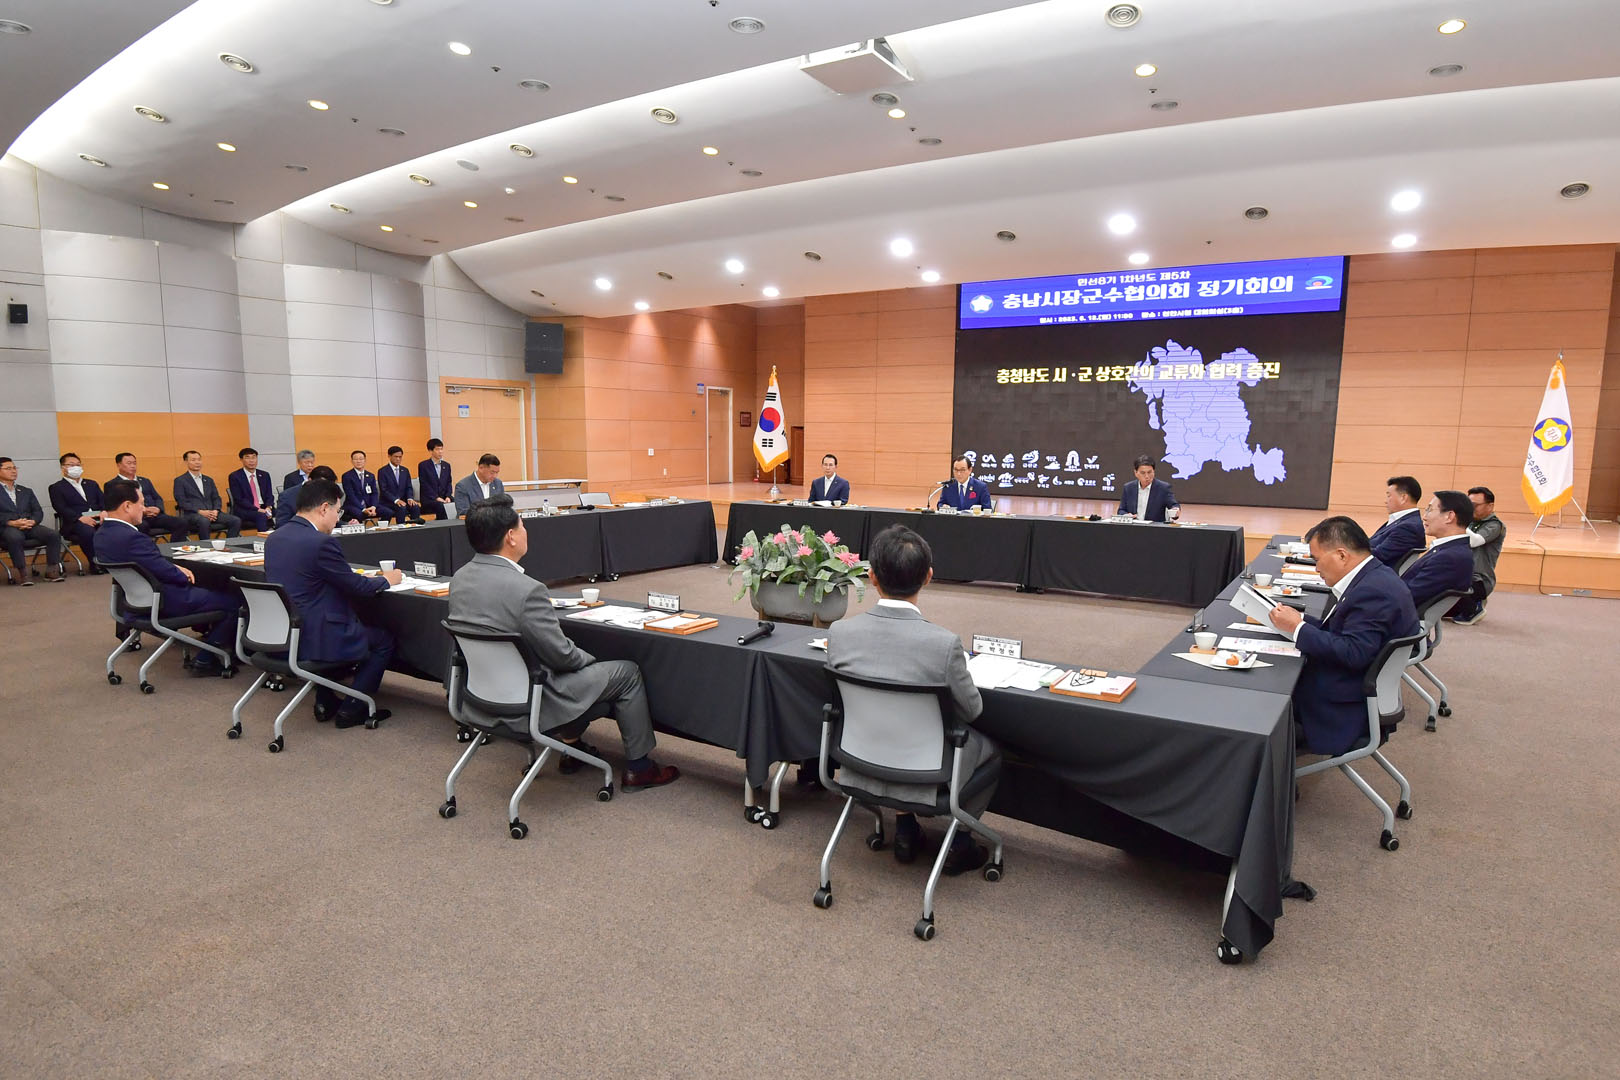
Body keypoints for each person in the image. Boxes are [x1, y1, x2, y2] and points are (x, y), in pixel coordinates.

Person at [447, 495, 680, 790]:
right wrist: (590, 660)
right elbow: (562, 656)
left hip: (481, 698)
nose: (526, 531)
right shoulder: (527, 590)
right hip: (532, 700)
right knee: (625, 673)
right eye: (522, 526)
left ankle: (572, 747)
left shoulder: (459, 579)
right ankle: (640, 769)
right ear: (511, 538)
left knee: (582, 676)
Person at [826, 524, 998, 875]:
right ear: (928, 577)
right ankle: (960, 842)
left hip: (858, 760)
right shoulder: (944, 644)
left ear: (872, 577)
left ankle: (905, 829)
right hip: (926, 770)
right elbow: (972, 710)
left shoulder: (840, 633)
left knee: (888, 724)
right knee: (992, 751)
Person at [1267, 516, 1420, 756]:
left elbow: (1353, 652)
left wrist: (1298, 629)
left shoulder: (1373, 591)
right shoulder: (1375, 576)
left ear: (1341, 555)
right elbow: (1343, 632)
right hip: (1350, 686)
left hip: (1339, 707)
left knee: (1261, 696)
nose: (1316, 568)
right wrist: (1299, 621)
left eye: (1317, 560)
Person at [264, 479, 401, 728]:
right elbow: (358, 588)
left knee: (333, 618)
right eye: (338, 511)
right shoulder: (320, 543)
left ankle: (325, 700)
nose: (338, 518)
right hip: (315, 636)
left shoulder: (275, 538)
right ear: (324, 508)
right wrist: (387, 580)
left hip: (282, 634)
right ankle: (353, 708)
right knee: (383, 640)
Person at [97, 479, 242, 676]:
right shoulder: (133, 538)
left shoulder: (102, 534)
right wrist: (183, 575)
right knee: (234, 600)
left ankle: (210, 635)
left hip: (133, 601)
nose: (144, 509)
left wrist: (172, 566)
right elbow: (170, 575)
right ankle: (206, 659)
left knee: (212, 588)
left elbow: (148, 564)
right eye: (141, 503)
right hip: (166, 600)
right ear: (127, 506)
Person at [1401, 490, 1475, 613]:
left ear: (1449, 516)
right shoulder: (1450, 550)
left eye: (1430, 510)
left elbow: (1407, 597)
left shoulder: (1449, 558)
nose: (1424, 517)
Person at [0, 457, 64, 584]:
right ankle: (23, 574)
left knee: (53, 534)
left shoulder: (26, 491)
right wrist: (11, 522)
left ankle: (51, 570)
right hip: (6, 527)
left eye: (14, 468)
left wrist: (33, 521)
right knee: (15, 537)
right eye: (8, 468)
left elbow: (38, 511)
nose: (13, 471)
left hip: (29, 525)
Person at [1449, 486, 1506, 625]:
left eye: (1475, 505)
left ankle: (1475, 606)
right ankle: (1471, 603)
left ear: (1490, 506)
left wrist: (1460, 521)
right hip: (1461, 574)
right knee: (1438, 608)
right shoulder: (1470, 522)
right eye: (1468, 505)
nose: (1471, 509)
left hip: (1479, 580)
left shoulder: (1495, 525)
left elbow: (1475, 541)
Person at [108, 452, 187, 542]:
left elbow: (157, 498)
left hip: (154, 516)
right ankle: (145, 549)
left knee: (181, 523)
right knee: (142, 526)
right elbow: (117, 506)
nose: (133, 466)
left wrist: (158, 509)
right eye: (129, 463)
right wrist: (143, 510)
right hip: (134, 519)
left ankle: (175, 548)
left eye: (134, 463)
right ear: (119, 465)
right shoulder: (112, 484)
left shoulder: (145, 481)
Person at [48, 452, 105, 570]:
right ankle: (95, 563)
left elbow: (104, 501)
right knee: (88, 531)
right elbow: (60, 507)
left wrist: (104, 511)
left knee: (115, 528)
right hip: (75, 522)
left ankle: (113, 560)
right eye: (71, 465)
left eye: (78, 465)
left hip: (98, 517)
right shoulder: (57, 487)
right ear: (63, 468)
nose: (76, 467)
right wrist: (80, 518)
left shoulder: (92, 484)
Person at [173, 451, 241, 540]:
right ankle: (206, 546)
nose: (197, 462)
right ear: (186, 462)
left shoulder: (208, 480)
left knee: (235, 520)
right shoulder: (180, 480)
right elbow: (182, 501)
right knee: (204, 521)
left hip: (212, 513)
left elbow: (216, 498)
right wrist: (200, 512)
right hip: (193, 514)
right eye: (193, 460)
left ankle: (230, 544)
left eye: (199, 459)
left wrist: (216, 510)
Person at [1368, 475, 1425, 568]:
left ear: (1403, 498)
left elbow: (1379, 555)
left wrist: (1350, 551)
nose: (1385, 501)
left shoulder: (1408, 527)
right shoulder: (1402, 521)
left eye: (1389, 496)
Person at [1117, 454, 1180, 522]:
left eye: (1149, 472)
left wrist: (1175, 511)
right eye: (1143, 473)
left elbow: (1174, 505)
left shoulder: (1163, 488)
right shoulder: (1128, 488)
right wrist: (1126, 515)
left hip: (1153, 527)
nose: (1147, 476)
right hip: (1133, 526)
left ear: (1154, 471)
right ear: (1136, 473)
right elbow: (1121, 510)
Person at [227, 447, 274, 533]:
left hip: (264, 507)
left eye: (253, 457)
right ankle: (263, 540)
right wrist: (258, 509)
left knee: (284, 511)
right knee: (261, 516)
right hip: (246, 509)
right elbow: (239, 499)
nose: (251, 460)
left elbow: (269, 494)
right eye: (247, 457)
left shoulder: (264, 475)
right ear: (241, 460)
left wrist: (268, 507)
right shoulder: (235, 476)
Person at [377, 445, 423, 524]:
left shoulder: (405, 470)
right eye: (396, 457)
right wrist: (396, 500)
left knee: (415, 507)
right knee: (401, 507)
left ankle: (415, 527)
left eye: (400, 457)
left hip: (404, 501)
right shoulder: (382, 471)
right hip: (389, 502)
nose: (398, 459)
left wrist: (410, 498)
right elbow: (384, 490)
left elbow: (409, 487)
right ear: (389, 456)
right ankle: (401, 528)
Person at [418, 439, 456, 519]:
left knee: (457, 502)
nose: (440, 452)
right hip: (429, 499)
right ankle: (443, 525)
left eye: (441, 449)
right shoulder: (423, 466)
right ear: (430, 451)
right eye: (437, 449)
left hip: (444, 497)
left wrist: (448, 496)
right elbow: (425, 485)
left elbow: (449, 483)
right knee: (441, 506)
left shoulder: (446, 465)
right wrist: (436, 498)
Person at [340, 450, 380, 524]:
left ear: (365, 460)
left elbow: (374, 493)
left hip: (369, 505)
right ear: (351, 461)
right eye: (356, 459)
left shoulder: (370, 476)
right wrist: (363, 509)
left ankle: (380, 528)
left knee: (387, 512)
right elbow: (351, 495)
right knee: (359, 514)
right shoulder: (347, 476)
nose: (358, 461)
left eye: (361, 459)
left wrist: (373, 506)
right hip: (353, 505)